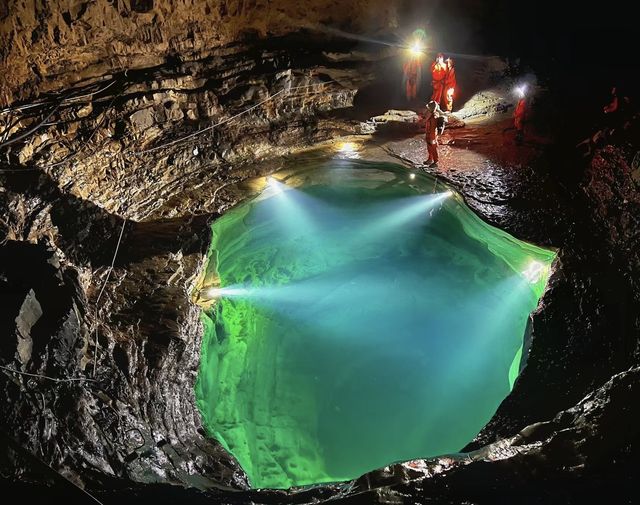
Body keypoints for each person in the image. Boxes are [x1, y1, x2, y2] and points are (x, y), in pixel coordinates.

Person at [425, 100, 442, 168]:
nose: (428, 109)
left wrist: (432, 138)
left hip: (432, 135)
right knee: (429, 147)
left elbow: (433, 128)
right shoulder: (432, 115)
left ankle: (435, 161)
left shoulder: (434, 116)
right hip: (429, 134)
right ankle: (430, 159)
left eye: (429, 107)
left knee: (433, 148)